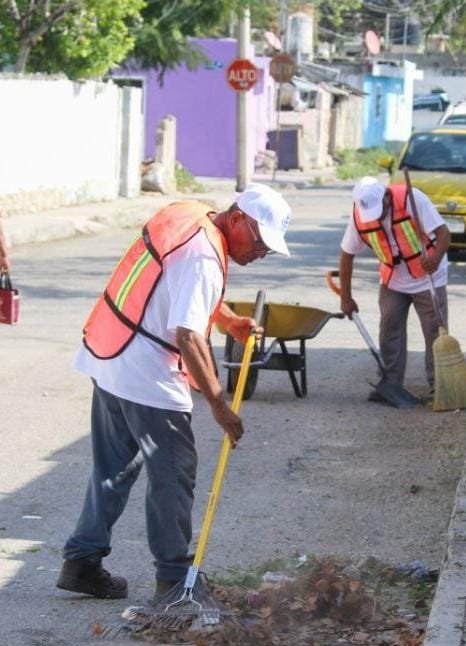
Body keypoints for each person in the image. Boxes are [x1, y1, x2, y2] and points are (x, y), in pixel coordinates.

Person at [56, 184, 292, 600]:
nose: (260, 254)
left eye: (268, 250)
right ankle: (174, 579)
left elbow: (175, 291)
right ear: (237, 219)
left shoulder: (193, 218)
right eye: (259, 242)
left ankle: (82, 562)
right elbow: (186, 333)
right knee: (173, 473)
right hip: (146, 373)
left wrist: (230, 320)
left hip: (110, 355)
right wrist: (219, 403)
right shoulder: (204, 256)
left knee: (114, 469)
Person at [338, 175, 450, 400]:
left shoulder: (413, 199)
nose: (377, 216)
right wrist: (346, 297)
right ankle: (390, 384)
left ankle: (440, 387)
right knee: (390, 330)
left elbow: (444, 233)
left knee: (434, 332)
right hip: (393, 279)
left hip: (427, 277)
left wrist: (436, 257)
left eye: (381, 209)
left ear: (386, 197)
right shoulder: (360, 214)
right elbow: (346, 256)